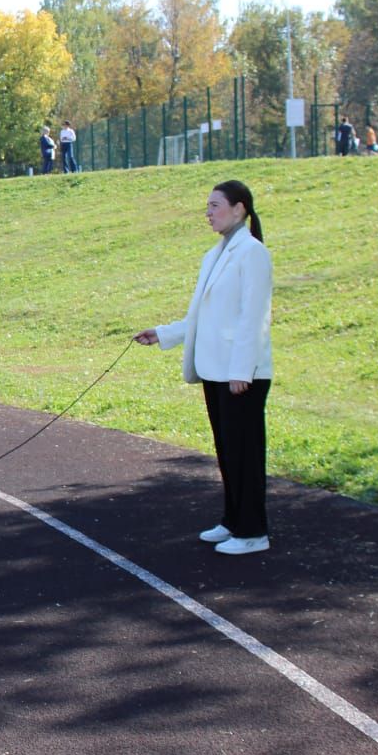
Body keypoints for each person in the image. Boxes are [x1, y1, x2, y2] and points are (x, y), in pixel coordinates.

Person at [135, 180, 273, 556]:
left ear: (240, 209)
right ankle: (233, 521)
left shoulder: (253, 253)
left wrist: (242, 370)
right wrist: (163, 334)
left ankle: (253, 532)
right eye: (207, 207)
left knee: (245, 452)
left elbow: (254, 318)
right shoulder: (213, 255)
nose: (208, 213)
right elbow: (201, 316)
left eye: (215, 206)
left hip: (241, 374)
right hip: (215, 369)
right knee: (227, 450)